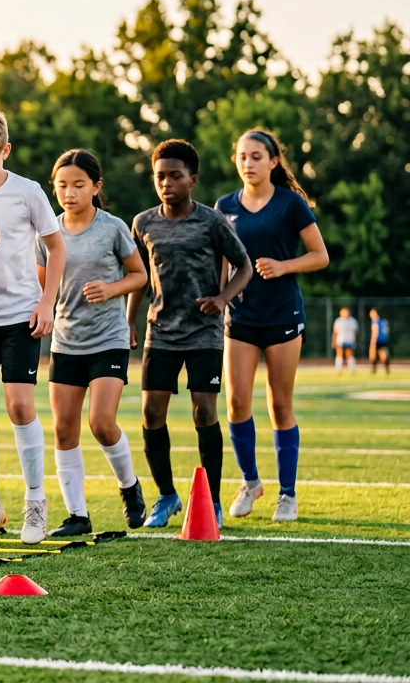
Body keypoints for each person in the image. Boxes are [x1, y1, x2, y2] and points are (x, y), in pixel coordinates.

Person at [128, 139, 252, 528]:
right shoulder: (143, 223)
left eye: (175, 176)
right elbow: (139, 275)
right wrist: (129, 320)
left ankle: (211, 502)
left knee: (204, 411)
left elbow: (244, 265)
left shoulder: (212, 222)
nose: (166, 183)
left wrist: (223, 298)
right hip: (160, 331)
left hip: (204, 332)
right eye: (160, 176)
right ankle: (167, 496)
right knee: (151, 413)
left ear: (192, 180)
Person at [0, 106, 66, 545]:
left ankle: (36, 501)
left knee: (20, 406)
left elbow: (56, 248)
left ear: (5, 151)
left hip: (21, 316)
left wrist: (47, 302)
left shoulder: (28, 192)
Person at [216, 129, 328, 524]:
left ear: (273, 161)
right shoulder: (225, 205)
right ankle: (250, 482)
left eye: (256, 156)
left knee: (280, 405)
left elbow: (320, 255)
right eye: (242, 156)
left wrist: (283, 266)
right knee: (236, 403)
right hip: (240, 317)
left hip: (282, 314)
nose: (248, 163)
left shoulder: (291, 203)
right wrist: (219, 299)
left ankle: (287, 494)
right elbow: (222, 263)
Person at [36, 150, 149, 535]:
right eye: (62, 185)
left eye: (78, 185)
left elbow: (140, 275)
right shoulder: (48, 231)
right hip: (66, 342)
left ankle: (129, 487)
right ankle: (77, 516)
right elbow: (40, 283)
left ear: (96, 187)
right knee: (64, 430)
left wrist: (111, 288)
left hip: (108, 340)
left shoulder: (112, 228)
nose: (69, 193)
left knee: (101, 422)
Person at [333, 307, 358, 373]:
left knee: (349, 354)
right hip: (340, 340)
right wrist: (334, 341)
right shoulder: (338, 321)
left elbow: (355, 331)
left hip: (350, 340)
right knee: (339, 354)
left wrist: (353, 339)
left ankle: (351, 369)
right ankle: (339, 369)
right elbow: (335, 332)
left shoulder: (352, 321)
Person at [369, 308, 391, 374]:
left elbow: (375, 332)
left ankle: (374, 369)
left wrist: (373, 342)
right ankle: (386, 368)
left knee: (374, 355)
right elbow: (387, 331)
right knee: (383, 353)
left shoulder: (375, 322)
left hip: (378, 340)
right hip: (384, 339)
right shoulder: (384, 321)